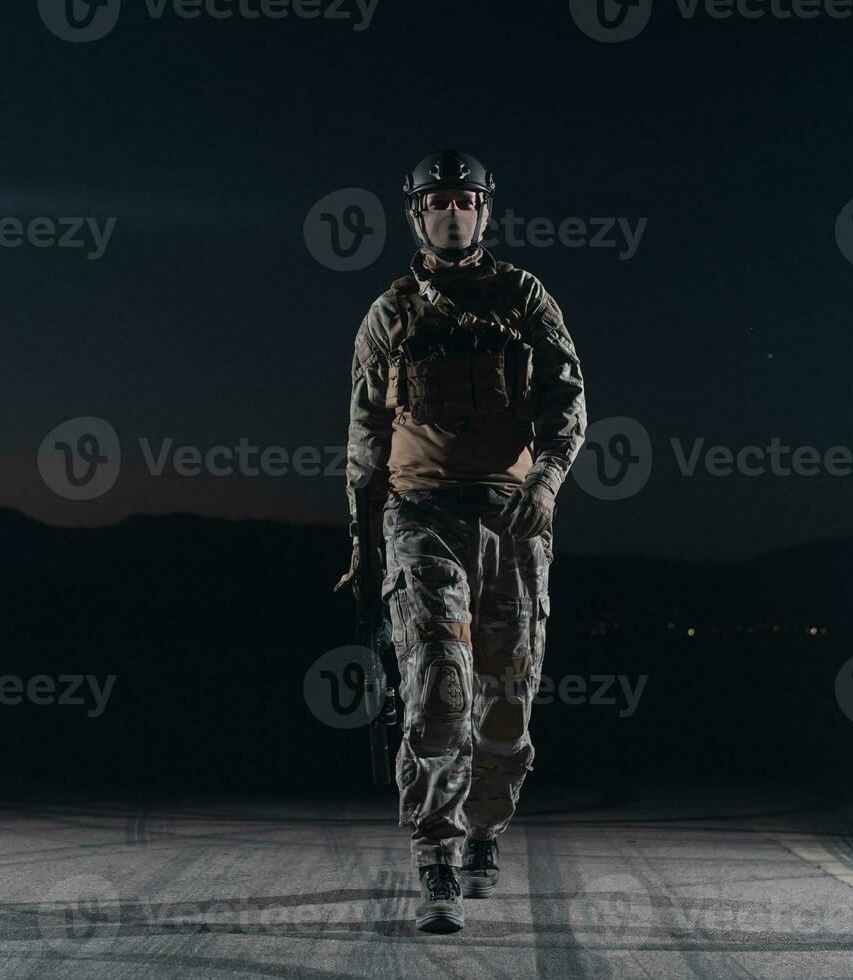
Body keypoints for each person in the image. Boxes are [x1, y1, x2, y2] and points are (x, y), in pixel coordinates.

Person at [335, 149, 587, 933]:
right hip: (420, 514)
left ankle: (484, 833)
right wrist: (361, 542)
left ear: (485, 211)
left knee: (505, 703)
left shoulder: (523, 297)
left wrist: (546, 483)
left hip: (511, 518)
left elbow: (567, 401)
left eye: (465, 200)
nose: (453, 213)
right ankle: (436, 856)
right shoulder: (389, 314)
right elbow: (365, 432)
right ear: (417, 215)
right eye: (437, 201)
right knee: (440, 683)